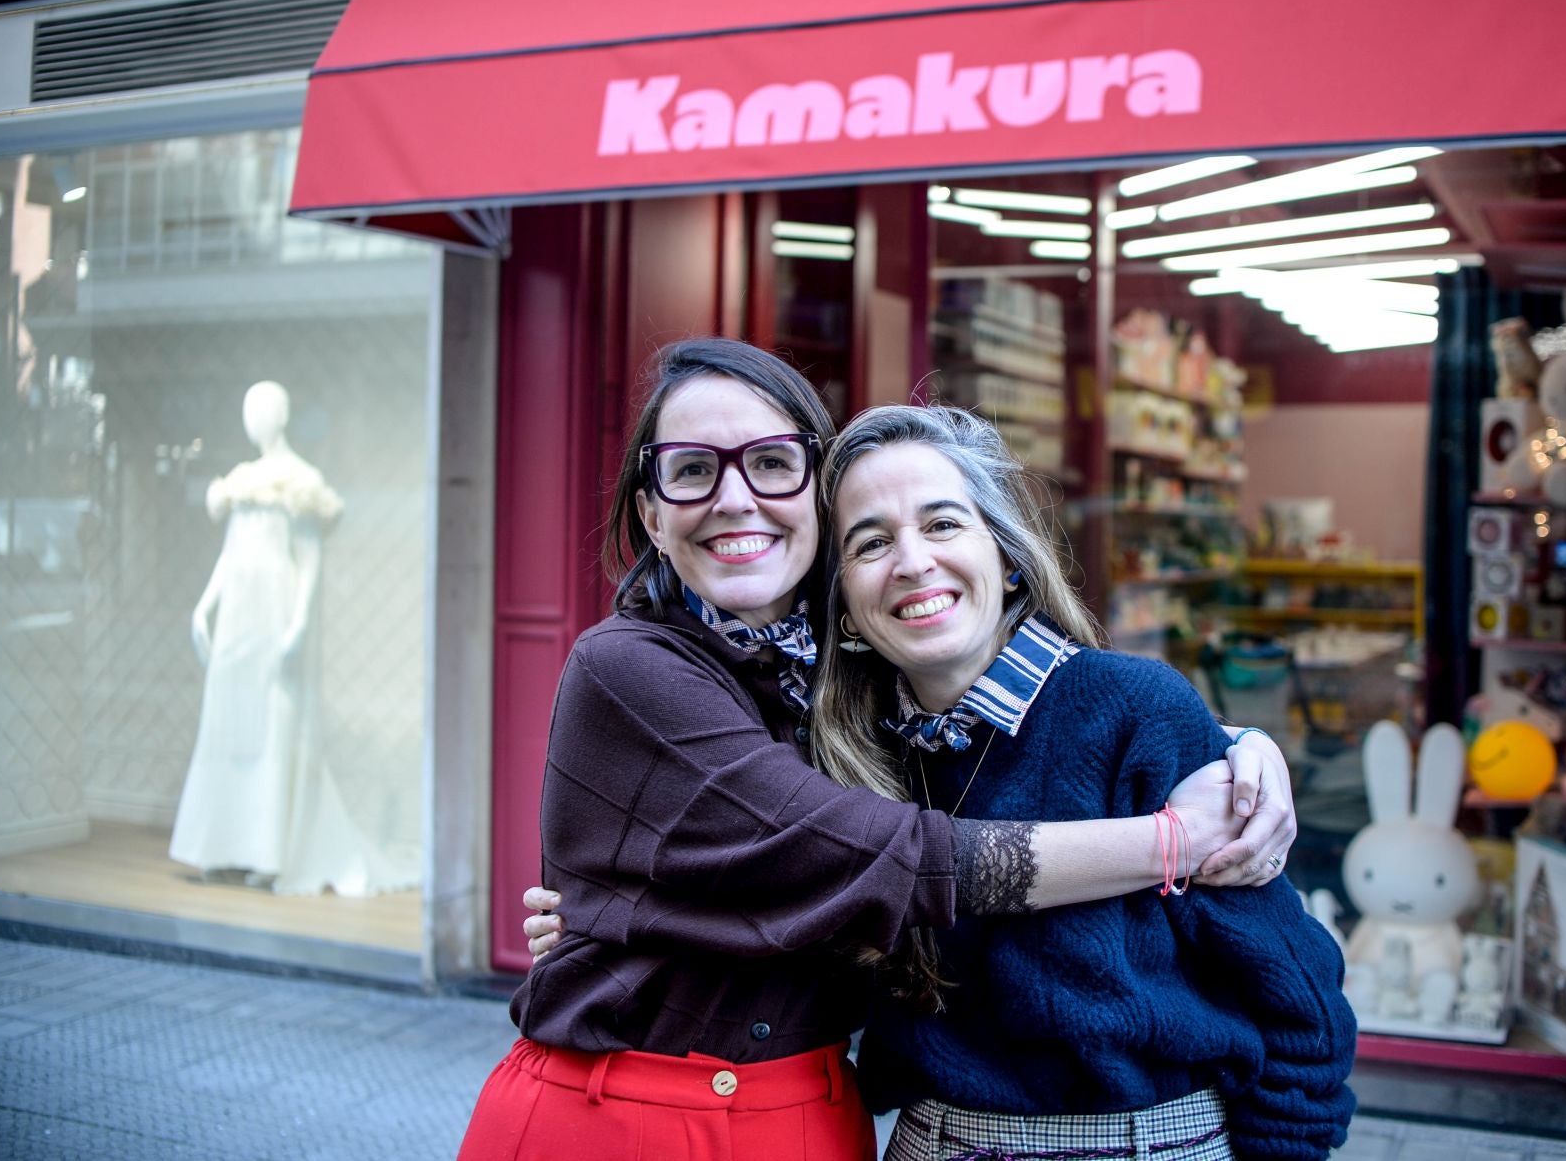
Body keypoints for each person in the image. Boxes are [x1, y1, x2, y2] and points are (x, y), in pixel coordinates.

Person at [462, 339, 1298, 1161]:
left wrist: (1232, 749)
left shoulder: (852, 697)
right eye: (692, 471)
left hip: (812, 1112)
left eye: (771, 463)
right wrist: (1175, 841)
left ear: (812, 505)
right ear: (652, 514)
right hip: (624, 1113)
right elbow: (883, 859)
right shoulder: (628, 666)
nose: (734, 499)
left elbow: (1042, 727)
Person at [811, 404, 1355, 1161]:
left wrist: (1285, 1151)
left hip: (1144, 1144)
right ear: (843, 606)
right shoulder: (852, 756)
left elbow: (1296, 988)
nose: (912, 562)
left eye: (942, 524)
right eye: (871, 543)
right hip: (934, 1140)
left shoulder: (1134, 710)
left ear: (1007, 557)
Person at [171, 380, 411, 897]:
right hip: (237, 613)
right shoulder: (241, 481)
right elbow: (231, 553)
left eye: (261, 409)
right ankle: (221, 846)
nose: (252, 419)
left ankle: (270, 851)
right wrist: (204, 605)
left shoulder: (301, 482)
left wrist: (299, 621)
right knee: (228, 722)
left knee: (275, 720)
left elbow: (309, 559)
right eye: (248, 410)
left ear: (280, 415)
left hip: (274, 612)